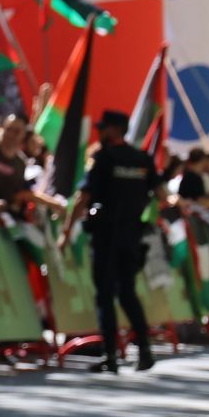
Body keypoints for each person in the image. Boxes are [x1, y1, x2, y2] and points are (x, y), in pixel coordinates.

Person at [59, 109, 160, 373]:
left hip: (106, 236)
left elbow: (83, 197)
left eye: (103, 128)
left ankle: (111, 355)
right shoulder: (142, 159)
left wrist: (66, 232)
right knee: (127, 292)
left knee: (105, 295)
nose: (100, 132)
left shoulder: (102, 158)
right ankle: (144, 350)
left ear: (115, 129)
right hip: (131, 236)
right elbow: (159, 193)